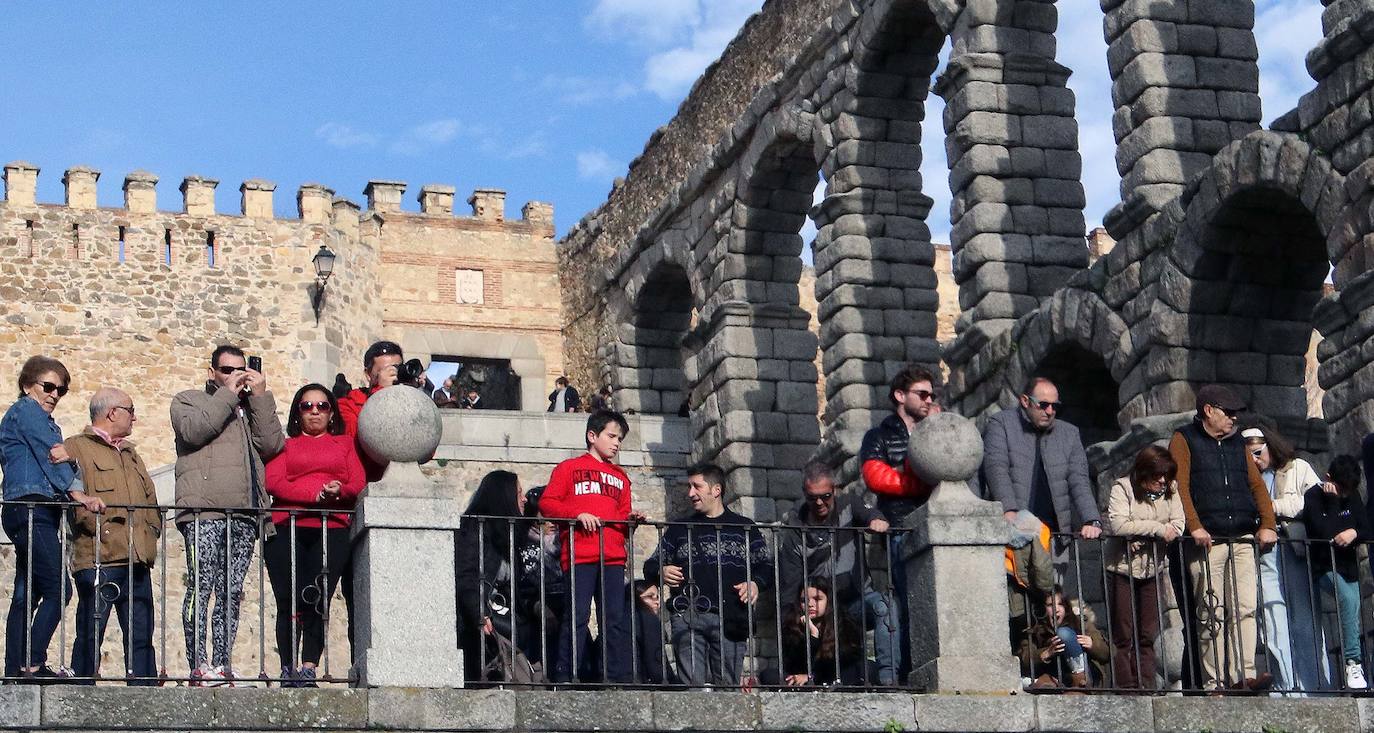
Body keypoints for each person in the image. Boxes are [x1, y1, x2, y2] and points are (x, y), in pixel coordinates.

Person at [171, 344, 285, 685]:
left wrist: (261, 397)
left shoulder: (249, 409)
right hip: (203, 510)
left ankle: (223, 663)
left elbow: (272, 445)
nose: (234, 376)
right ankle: (198, 663)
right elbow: (193, 431)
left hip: (245, 514)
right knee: (200, 589)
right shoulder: (188, 399)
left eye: (240, 370)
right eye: (226, 370)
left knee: (231, 593)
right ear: (212, 373)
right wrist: (227, 396)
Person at [0, 356, 103, 680]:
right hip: (31, 508)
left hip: (31, 509)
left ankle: (17, 668)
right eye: (48, 386)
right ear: (28, 384)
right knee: (60, 590)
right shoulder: (27, 412)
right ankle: (31, 662)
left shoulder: (38, 419)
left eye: (61, 389)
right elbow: (52, 456)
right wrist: (79, 494)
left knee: (26, 594)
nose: (54, 394)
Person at [1170, 384, 1277, 692]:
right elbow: (1181, 486)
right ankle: (1214, 682)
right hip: (1208, 541)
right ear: (1208, 411)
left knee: (1245, 609)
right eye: (1228, 413)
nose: (1233, 419)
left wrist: (1267, 523)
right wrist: (1194, 526)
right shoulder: (1183, 439)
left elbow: (1257, 487)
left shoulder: (1237, 445)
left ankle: (1242, 676)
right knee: (1210, 613)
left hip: (1242, 537)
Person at [263, 383, 365, 687]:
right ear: (298, 412)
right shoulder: (285, 445)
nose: (315, 412)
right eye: (307, 406)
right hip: (286, 528)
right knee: (288, 598)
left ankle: (309, 667)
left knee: (318, 597)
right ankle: (287, 667)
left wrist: (340, 491)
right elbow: (274, 482)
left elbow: (357, 481)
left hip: (331, 528)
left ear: (332, 412)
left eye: (322, 406)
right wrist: (316, 493)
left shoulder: (346, 444)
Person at [539, 409, 645, 683]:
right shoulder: (568, 468)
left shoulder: (621, 477)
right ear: (592, 435)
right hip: (579, 554)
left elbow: (622, 516)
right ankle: (567, 675)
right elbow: (547, 503)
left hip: (612, 556)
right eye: (611, 436)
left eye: (619, 439)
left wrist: (630, 520)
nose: (616, 443)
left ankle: (613, 676)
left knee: (614, 618)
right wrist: (576, 516)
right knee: (577, 615)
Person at [643, 463, 770, 687]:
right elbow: (651, 564)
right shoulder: (679, 529)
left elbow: (766, 566)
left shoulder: (745, 528)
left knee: (728, 687)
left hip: (730, 616)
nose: (690, 493)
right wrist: (660, 571)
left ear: (716, 490)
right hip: (687, 616)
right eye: (690, 486)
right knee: (693, 688)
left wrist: (755, 584)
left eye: (696, 486)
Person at [65, 388, 161, 685]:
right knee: (90, 631)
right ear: (112, 413)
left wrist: (151, 532)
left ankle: (144, 695)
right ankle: (82, 690)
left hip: (137, 558)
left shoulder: (132, 454)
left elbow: (151, 501)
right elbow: (71, 496)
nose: (135, 417)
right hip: (99, 556)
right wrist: (97, 528)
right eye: (130, 410)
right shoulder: (75, 448)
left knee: (142, 634)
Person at [780, 460, 898, 685]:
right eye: (813, 497)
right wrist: (797, 618)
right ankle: (812, 678)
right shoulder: (795, 531)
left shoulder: (849, 505)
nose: (820, 502)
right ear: (805, 494)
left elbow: (870, 513)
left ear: (834, 490)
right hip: (823, 611)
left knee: (886, 606)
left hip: (856, 601)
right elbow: (790, 588)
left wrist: (877, 520)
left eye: (825, 496)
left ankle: (888, 680)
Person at [858, 365, 937, 682]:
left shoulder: (934, 430)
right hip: (900, 526)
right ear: (900, 396)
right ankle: (906, 672)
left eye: (931, 394)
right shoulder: (878, 436)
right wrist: (919, 485)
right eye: (922, 393)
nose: (929, 400)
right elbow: (876, 477)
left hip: (934, 524)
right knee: (905, 602)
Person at [1244, 424, 1327, 693]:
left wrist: (1272, 507)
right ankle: (1287, 688)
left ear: (1270, 446)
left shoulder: (1297, 468)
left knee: (1305, 621)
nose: (1255, 461)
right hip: (1265, 555)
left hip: (1295, 549)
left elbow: (1315, 501)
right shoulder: (1245, 481)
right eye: (1249, 457)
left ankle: (1315, 688)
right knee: (1272, 622)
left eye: (1258, 453)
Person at [980, 376, 1101, 544]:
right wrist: (1008, 511)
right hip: (1015, 532)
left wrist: (1091, 519)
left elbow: (1079, 480)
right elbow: (996, 468)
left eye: (1055, 406)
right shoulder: (1001, 423)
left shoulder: (1069, 433)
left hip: (1055, 537)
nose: (1049, 411)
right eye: (1043, 404)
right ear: (1025, 400)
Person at [1104, 445, 1185, 690]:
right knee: (1123, 632)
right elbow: (1118, 525)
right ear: (1142, 473)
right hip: (1121, 568)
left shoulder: (1171, 489)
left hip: (1153, 568)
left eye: (1166, 475)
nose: (1162, 481)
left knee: (1148, 633)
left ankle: (1146, 684)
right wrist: (1157, 530)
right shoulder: (1123, 488)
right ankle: (1126, 687)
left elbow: (1179, 524)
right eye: (1157, 475)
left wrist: (1139, 531)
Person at [1302, 455, 1370, 690]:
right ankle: (1353, 661)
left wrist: (1353, 533)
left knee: (1353, 608)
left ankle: (1357, 665)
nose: (1344, 494)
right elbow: (1324, 531)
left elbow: (1365, 526)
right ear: (1329, 479)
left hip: (1348, 567)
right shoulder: (1313, 497)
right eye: (1341, 489)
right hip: (1324, 566)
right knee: (1349, 599)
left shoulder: (1352, 496)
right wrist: (1332, 502)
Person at [455, 470, 527, 681]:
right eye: (518, 493)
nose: (523, 499)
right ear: (503, 497)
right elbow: (466, 575)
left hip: (502, 613)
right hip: (479, 621)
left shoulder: (509, 533)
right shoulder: (474, 528)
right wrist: (480, 612)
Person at [339, 340, 406, 483]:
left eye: (397, 369)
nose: (394, 375)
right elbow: (357, 443)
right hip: (366, 481)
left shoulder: (410, 401)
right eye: (384, 370)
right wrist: (382, 393)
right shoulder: (348, 404)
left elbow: (427, 449)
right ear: (368, 374)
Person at [1018, 586, 1108, 690]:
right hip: (1054, 675)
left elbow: (1108, 653)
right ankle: (1045, 683)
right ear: (1043, 608)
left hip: (1085, 675)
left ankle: (1080, 677)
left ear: (1066, 607)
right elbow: (1024, 659)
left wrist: (1093, 645)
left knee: (1064, 634)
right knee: (1046, 681)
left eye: (1060, 604)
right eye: (1050, 605)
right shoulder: (1034, 630)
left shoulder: (1081, 624)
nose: (1056, 610)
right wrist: (1046, 653)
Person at [780, 579, 865, 687]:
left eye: (817, 599)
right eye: (803, 600)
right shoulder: (792, 626)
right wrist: (813, 635)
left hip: (833, 678)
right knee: (771, 675)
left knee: (863, 668)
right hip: (802, 679)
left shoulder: (844, 624)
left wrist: (813, 677)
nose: (810, 604)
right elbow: (795, 665)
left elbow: (845, 662)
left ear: (828, 601)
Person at [627, 580, 677, 684]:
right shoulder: (647, 621)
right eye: (650, 597)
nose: (657, 602)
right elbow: (656, 661)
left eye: (658, 597)